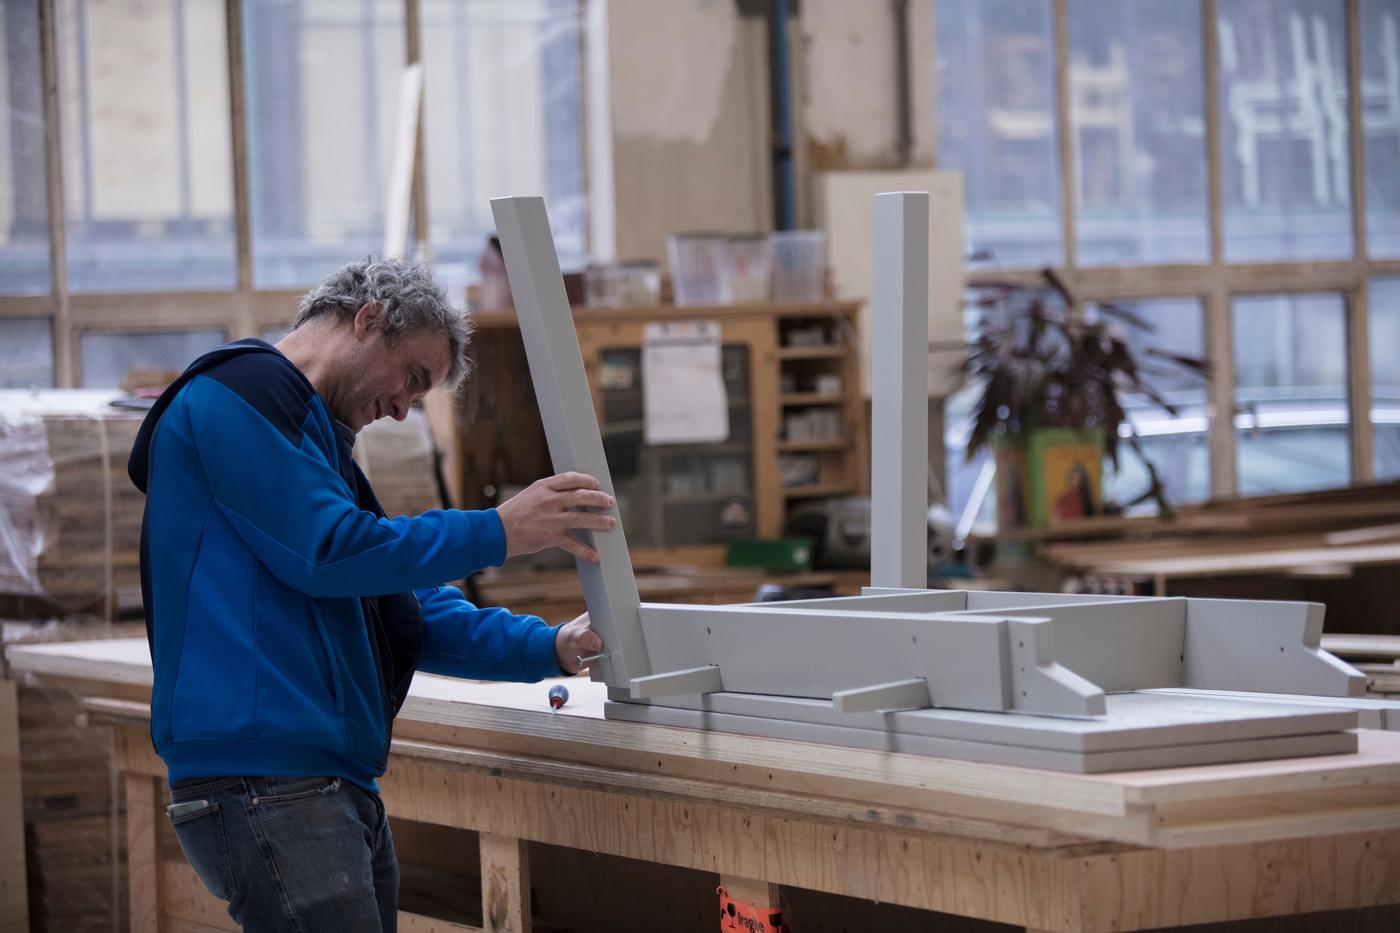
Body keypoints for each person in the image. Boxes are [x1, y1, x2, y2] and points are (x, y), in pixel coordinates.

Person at [128, 257, 611, 932]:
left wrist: (553, 645)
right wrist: (498, 530)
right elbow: (331, 549)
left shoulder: (316, 449)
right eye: (413, 378)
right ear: (369, 318)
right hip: (267, 778)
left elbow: (402, 607)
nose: (402, 407)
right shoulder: (236, 397)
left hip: (317, 780)